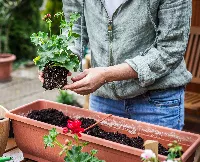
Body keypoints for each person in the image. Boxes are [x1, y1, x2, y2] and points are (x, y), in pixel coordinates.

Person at [40, 0, 192, 130]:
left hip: (156, 102)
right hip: (104, 99)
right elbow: (75, 29)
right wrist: (60, 60)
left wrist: (106, 75)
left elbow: (170, 48)